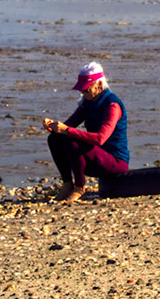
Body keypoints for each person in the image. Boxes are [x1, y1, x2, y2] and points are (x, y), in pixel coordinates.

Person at [42, 60, 129, 203]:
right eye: (81, 90)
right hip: (94, 157)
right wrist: (53, 126)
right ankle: (67, 184)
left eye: (86, 89)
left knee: (73, 141)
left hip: (114, 161)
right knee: (55, 139)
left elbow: (100, 138)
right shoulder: (87, 104)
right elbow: (68, 126)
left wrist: (66, 130)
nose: (83, 93)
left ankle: (79, 188)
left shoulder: (112, 105)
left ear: (99, 85)